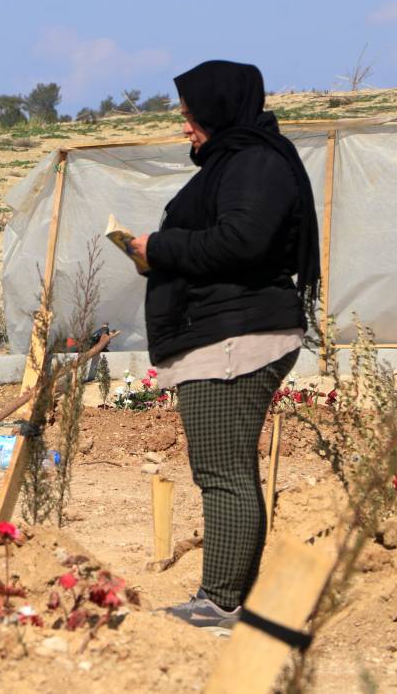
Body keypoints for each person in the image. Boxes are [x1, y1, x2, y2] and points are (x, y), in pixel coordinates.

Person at [128, 61, 320, 632]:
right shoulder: (239, 162)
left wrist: (160, 247)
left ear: (217, 110)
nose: (185, 128)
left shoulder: (255, 163)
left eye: (190, 117)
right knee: (225, 469)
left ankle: (221, 603)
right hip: (223, 330)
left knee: (223, 472)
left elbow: (242, 240)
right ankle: (225, 598)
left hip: (238, 335)